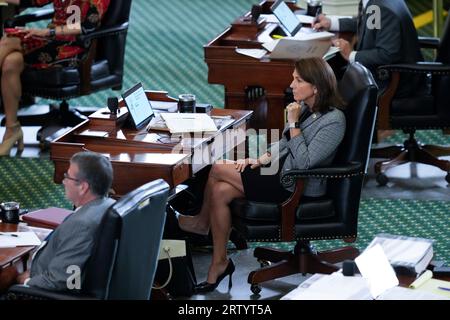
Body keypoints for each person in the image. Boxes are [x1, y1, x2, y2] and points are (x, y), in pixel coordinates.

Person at [177, 57, 346, 293]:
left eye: (298, 80)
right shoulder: (307, 108)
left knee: (216, 167)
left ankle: (201, 223)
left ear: (315, 86)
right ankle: (220, 262)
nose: (291, 84)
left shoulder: (334, 121)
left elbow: (305, 163)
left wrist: (294, 124)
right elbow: (286, 144)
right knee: (219, 190)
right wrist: (258, 160)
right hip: (281, 172)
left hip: (295, 185)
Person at [0, 0, 110, 156]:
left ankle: (12, 131)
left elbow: (86, 26)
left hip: (74, 47)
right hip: (50, 41)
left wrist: (48, 32)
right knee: (11, 63)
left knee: (8, 41)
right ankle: (13, 129)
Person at [11, 151, 115, 291]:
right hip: (47, 260)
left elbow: (61, 282)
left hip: (41, 280)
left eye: (67, 177)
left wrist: (26, 281)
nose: (63, 181)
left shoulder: (81, 225)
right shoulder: (107, 204)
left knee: (7, 272)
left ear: (83, 187)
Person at [312, 0, 421, 96]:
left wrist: (351, 54)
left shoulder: (382, 8)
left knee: (321, 89)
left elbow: (388, 54)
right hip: (380, 73)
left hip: (392, 83)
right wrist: (331, 23)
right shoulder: (375, 4)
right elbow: (367, 22)